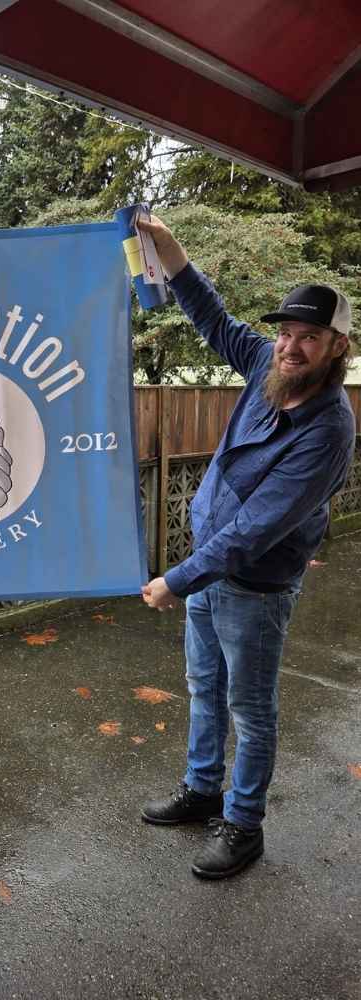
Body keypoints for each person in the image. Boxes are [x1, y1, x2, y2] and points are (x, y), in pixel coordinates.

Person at [137, 216, 355, 880]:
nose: (289, 346)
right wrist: (164, 244)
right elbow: (211, 313)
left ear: (337, 345)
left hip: (254, 586)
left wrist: (177, 578)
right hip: (210, 568)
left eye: (307, 337)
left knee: (249, 707)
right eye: (286, 333)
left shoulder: (329, 430)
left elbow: (256, 528)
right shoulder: (267, 364)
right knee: (204, 686)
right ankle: (204, 790)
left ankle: (244, 825)